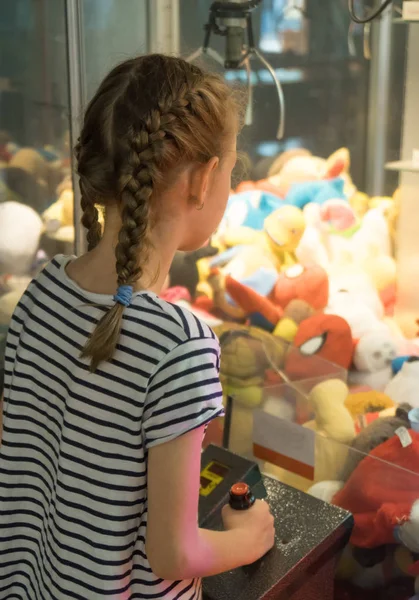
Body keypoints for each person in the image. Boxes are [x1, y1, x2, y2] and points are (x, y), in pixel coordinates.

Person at [0, 55, 275, 600]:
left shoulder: (42, 291)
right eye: (232, 166)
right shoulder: (182, 345)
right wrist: (250, 538)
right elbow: (174, 555)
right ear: (201, 181)